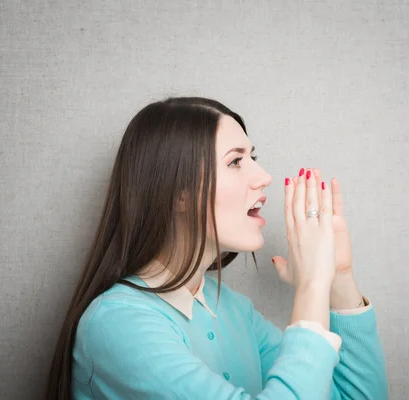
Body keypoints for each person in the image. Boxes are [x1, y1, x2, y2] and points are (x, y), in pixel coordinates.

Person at [46, 97, 388, 399]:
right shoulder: (118, 324)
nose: (264, 176)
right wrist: (312, 284)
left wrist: (338, 278)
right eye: (235, 162)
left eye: (252, 157)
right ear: (178, 193)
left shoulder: (232, 310)